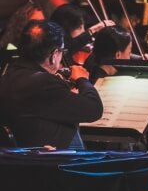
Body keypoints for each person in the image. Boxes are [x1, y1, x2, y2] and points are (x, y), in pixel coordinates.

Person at [0, 20, 102, 149]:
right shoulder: (44, 83)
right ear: (54, 55)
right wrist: (82, 79)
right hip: (48, 163)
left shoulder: (7, 77)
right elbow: (94, 109)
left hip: (13, 161)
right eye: (62, 51)